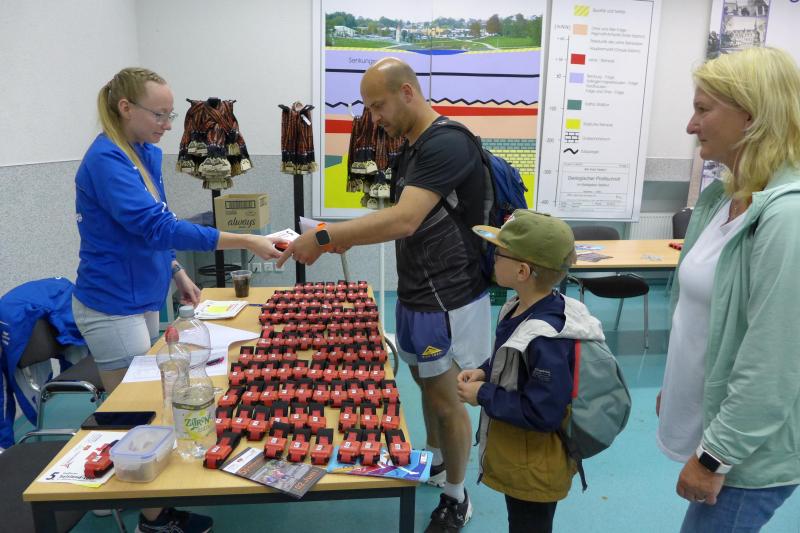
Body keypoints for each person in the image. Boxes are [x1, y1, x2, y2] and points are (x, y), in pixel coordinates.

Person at [278, 57, 491, 532]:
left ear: (407, 92)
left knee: (448, 398)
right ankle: (437, 461)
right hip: (416, 292)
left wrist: (326, 237)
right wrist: (346, 238)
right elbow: (403, 220)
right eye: (369, 109)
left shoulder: (448, 143)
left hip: (450, 297)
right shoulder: (412, 148)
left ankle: (457, 496)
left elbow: (405, 219)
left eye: (378, 106)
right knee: (426, 386)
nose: (373, 118)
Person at [73, 67, 282, 533]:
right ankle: (153, 518)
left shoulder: (143, 151)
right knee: (139, 407)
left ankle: (140, 492)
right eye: (160, 115)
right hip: (112, 303)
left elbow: (155, 224)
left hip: (144, 295)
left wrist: (175, 270)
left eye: (170, 115)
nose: (168, 125)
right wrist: (246, 240)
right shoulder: (106, 160)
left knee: (155, 397)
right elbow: (157, 226)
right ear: (125, 108)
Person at [657, 46, 800, 532]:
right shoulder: (722, 198)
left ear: (751, 117)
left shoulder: (787, 217)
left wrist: (715, 456)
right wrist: (679, 387)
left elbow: (774, 359)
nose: (691, 125)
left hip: (748, 452)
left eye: (703, 109)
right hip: (723, 426)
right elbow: (702, 314)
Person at [457, 210, 584, 533]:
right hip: (519, 455)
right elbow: (512, 359)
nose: (492, 259)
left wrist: (483, 394)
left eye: (498, 253)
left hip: (536, 468)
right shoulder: (517, 307)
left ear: (522, 271)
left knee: (528, 525)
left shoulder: (547, 336)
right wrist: (485, 372)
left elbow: (543, 412)